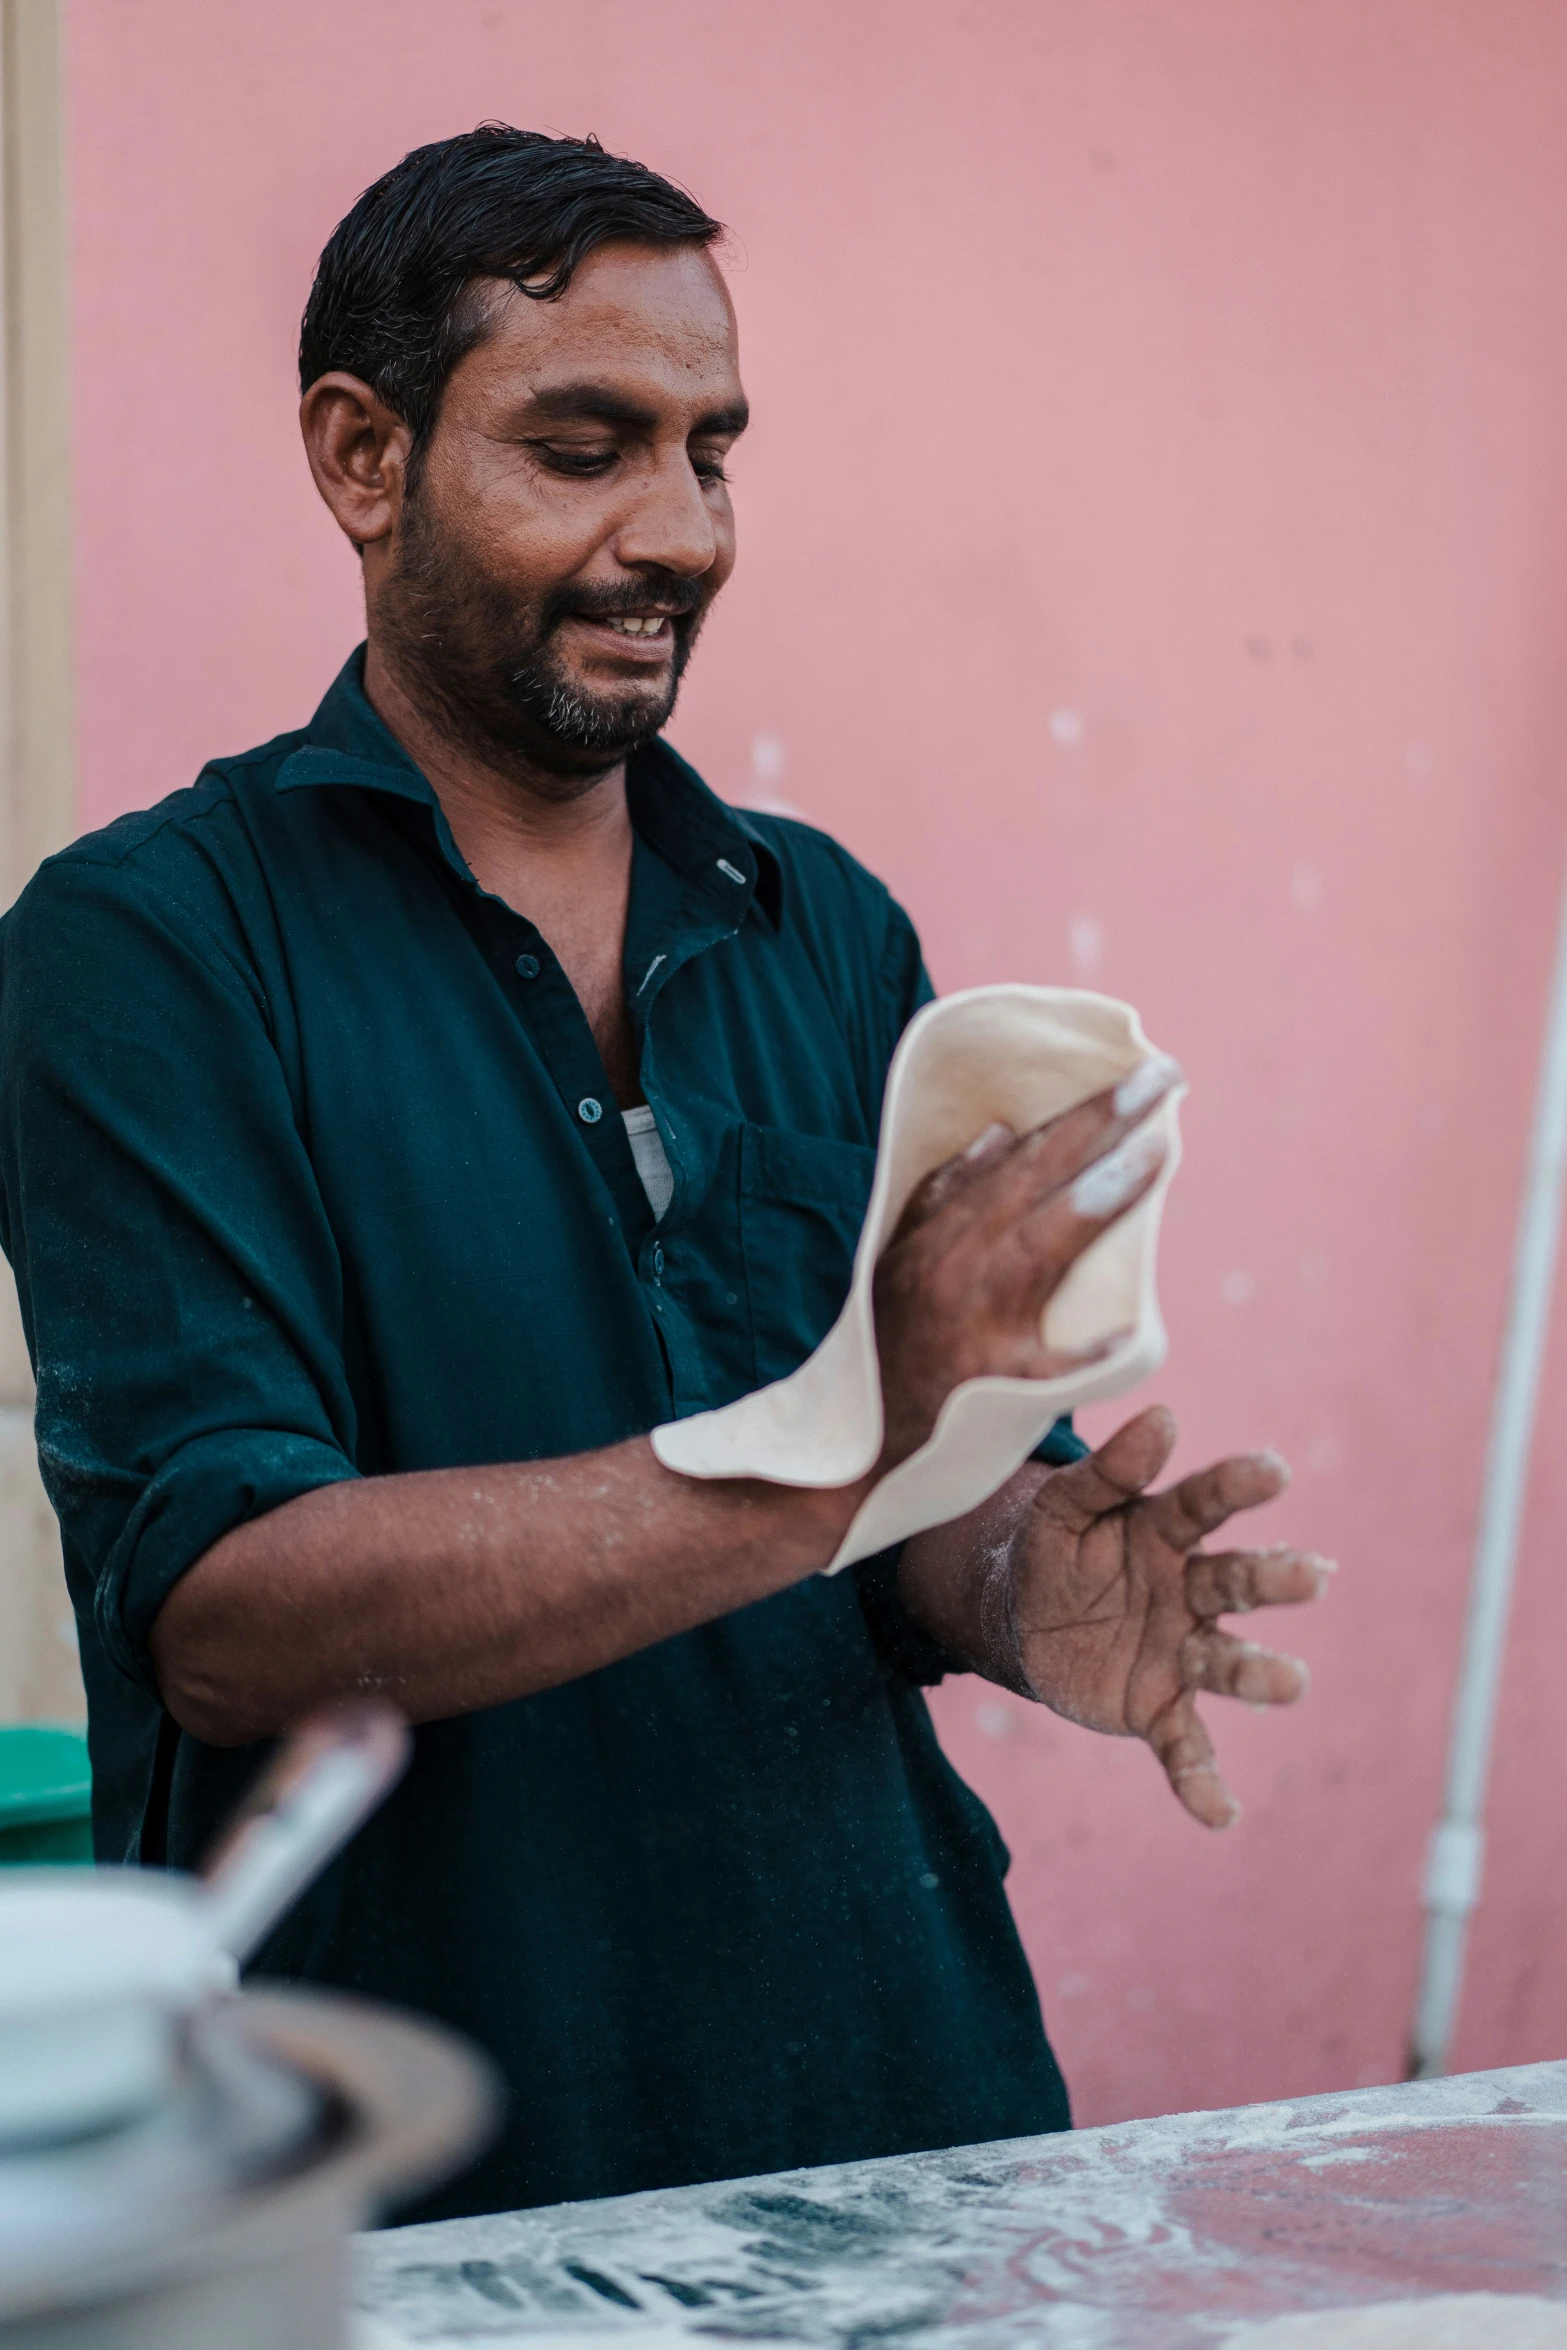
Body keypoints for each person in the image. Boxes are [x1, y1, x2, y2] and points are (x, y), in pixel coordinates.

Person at [0, 128, 1330, 2220]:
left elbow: (916, 1487)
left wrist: (1018, 1579)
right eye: (585, 444)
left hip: (910, 2145)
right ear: (364, 456)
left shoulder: (825, 926)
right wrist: (823, 1451)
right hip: (407, 2201)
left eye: (712, 449)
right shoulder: (149, 946)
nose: (679, 528)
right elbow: (227, 1612)